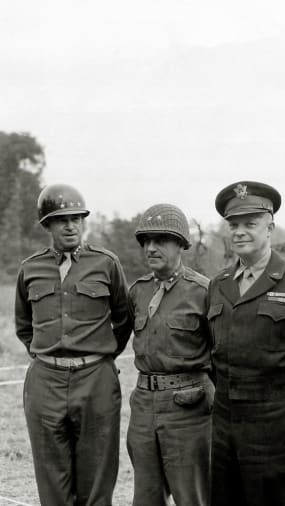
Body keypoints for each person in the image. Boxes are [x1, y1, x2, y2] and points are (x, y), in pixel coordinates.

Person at [207, 181, 285, 506]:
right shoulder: (217, 285)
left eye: (250, 224)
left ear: (270, 228)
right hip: (224, 420)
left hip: (275, 419)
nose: (240, 232)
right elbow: (214, 351)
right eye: (233, 225)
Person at [15, 183, 131, 506]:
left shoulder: (106, 263)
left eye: (77, 218)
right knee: (52, 482)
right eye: (62, 220)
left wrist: (98, 356)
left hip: (95, 380)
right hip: (45, 382)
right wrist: (50, 359)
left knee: (96, 483)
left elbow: (124, 319)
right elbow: (25, 326)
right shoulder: (30, 269)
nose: (71, 226)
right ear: (47, 225)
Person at [127, 203, 213, 506]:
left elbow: (219, 356)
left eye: (160, 240)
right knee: (146, 497)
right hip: (143, 407)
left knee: (193, 496)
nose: (151, 248)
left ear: (180, 245)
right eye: (146, 241)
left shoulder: (203, 292)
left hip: (188, 408)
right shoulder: (137, 291)